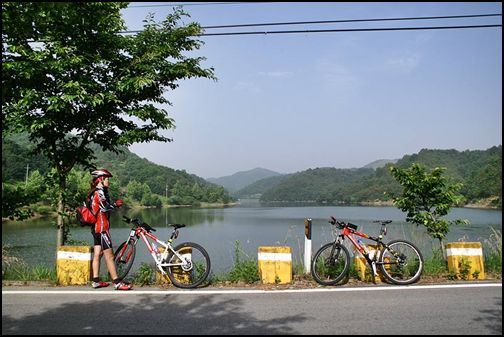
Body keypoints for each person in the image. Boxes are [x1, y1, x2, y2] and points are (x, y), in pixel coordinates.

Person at [89, 168, 132, 290]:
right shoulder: (99, 192)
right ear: (100, 180)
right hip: (102, 228)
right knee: (110, 256)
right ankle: (117, 283)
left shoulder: (93, 192)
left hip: (96, 228)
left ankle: (96, 281)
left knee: (98, 254)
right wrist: (116, 205)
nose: (108, 181)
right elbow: (105, 208)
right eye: (107, 179)